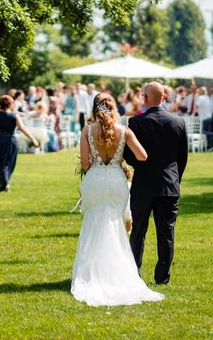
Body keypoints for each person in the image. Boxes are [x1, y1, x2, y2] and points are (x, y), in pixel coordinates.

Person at [71, 92, 163, 307]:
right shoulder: (124, 131)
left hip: (94, 180)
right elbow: (142, 156)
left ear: (95, 108)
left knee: (94, 223)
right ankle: (116, 273)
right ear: (114, 108)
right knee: (115, 225)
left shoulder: (87, 130)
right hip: (116, 181)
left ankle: (92, 273)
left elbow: (85, 164)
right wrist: (121, 157)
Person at [124, 82, 188, 286]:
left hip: (143, 184)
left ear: (145, 98)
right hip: (169, 183)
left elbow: (129, 156)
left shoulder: (136, 122)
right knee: (166, 232)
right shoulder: (178, 122)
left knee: (138, 231)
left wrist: (140, 167)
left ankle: (135, 273)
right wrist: (175, 177)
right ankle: (162, 277)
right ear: (163, 97)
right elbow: (182, 157)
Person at [0, 95, 38, 191]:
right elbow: (22, 128)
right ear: (10, 104)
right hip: (11, 141)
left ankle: (0, 183)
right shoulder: (15, 116)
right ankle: (5, 183)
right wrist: (32, 138)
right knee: (9, 163)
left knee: (0, 163)